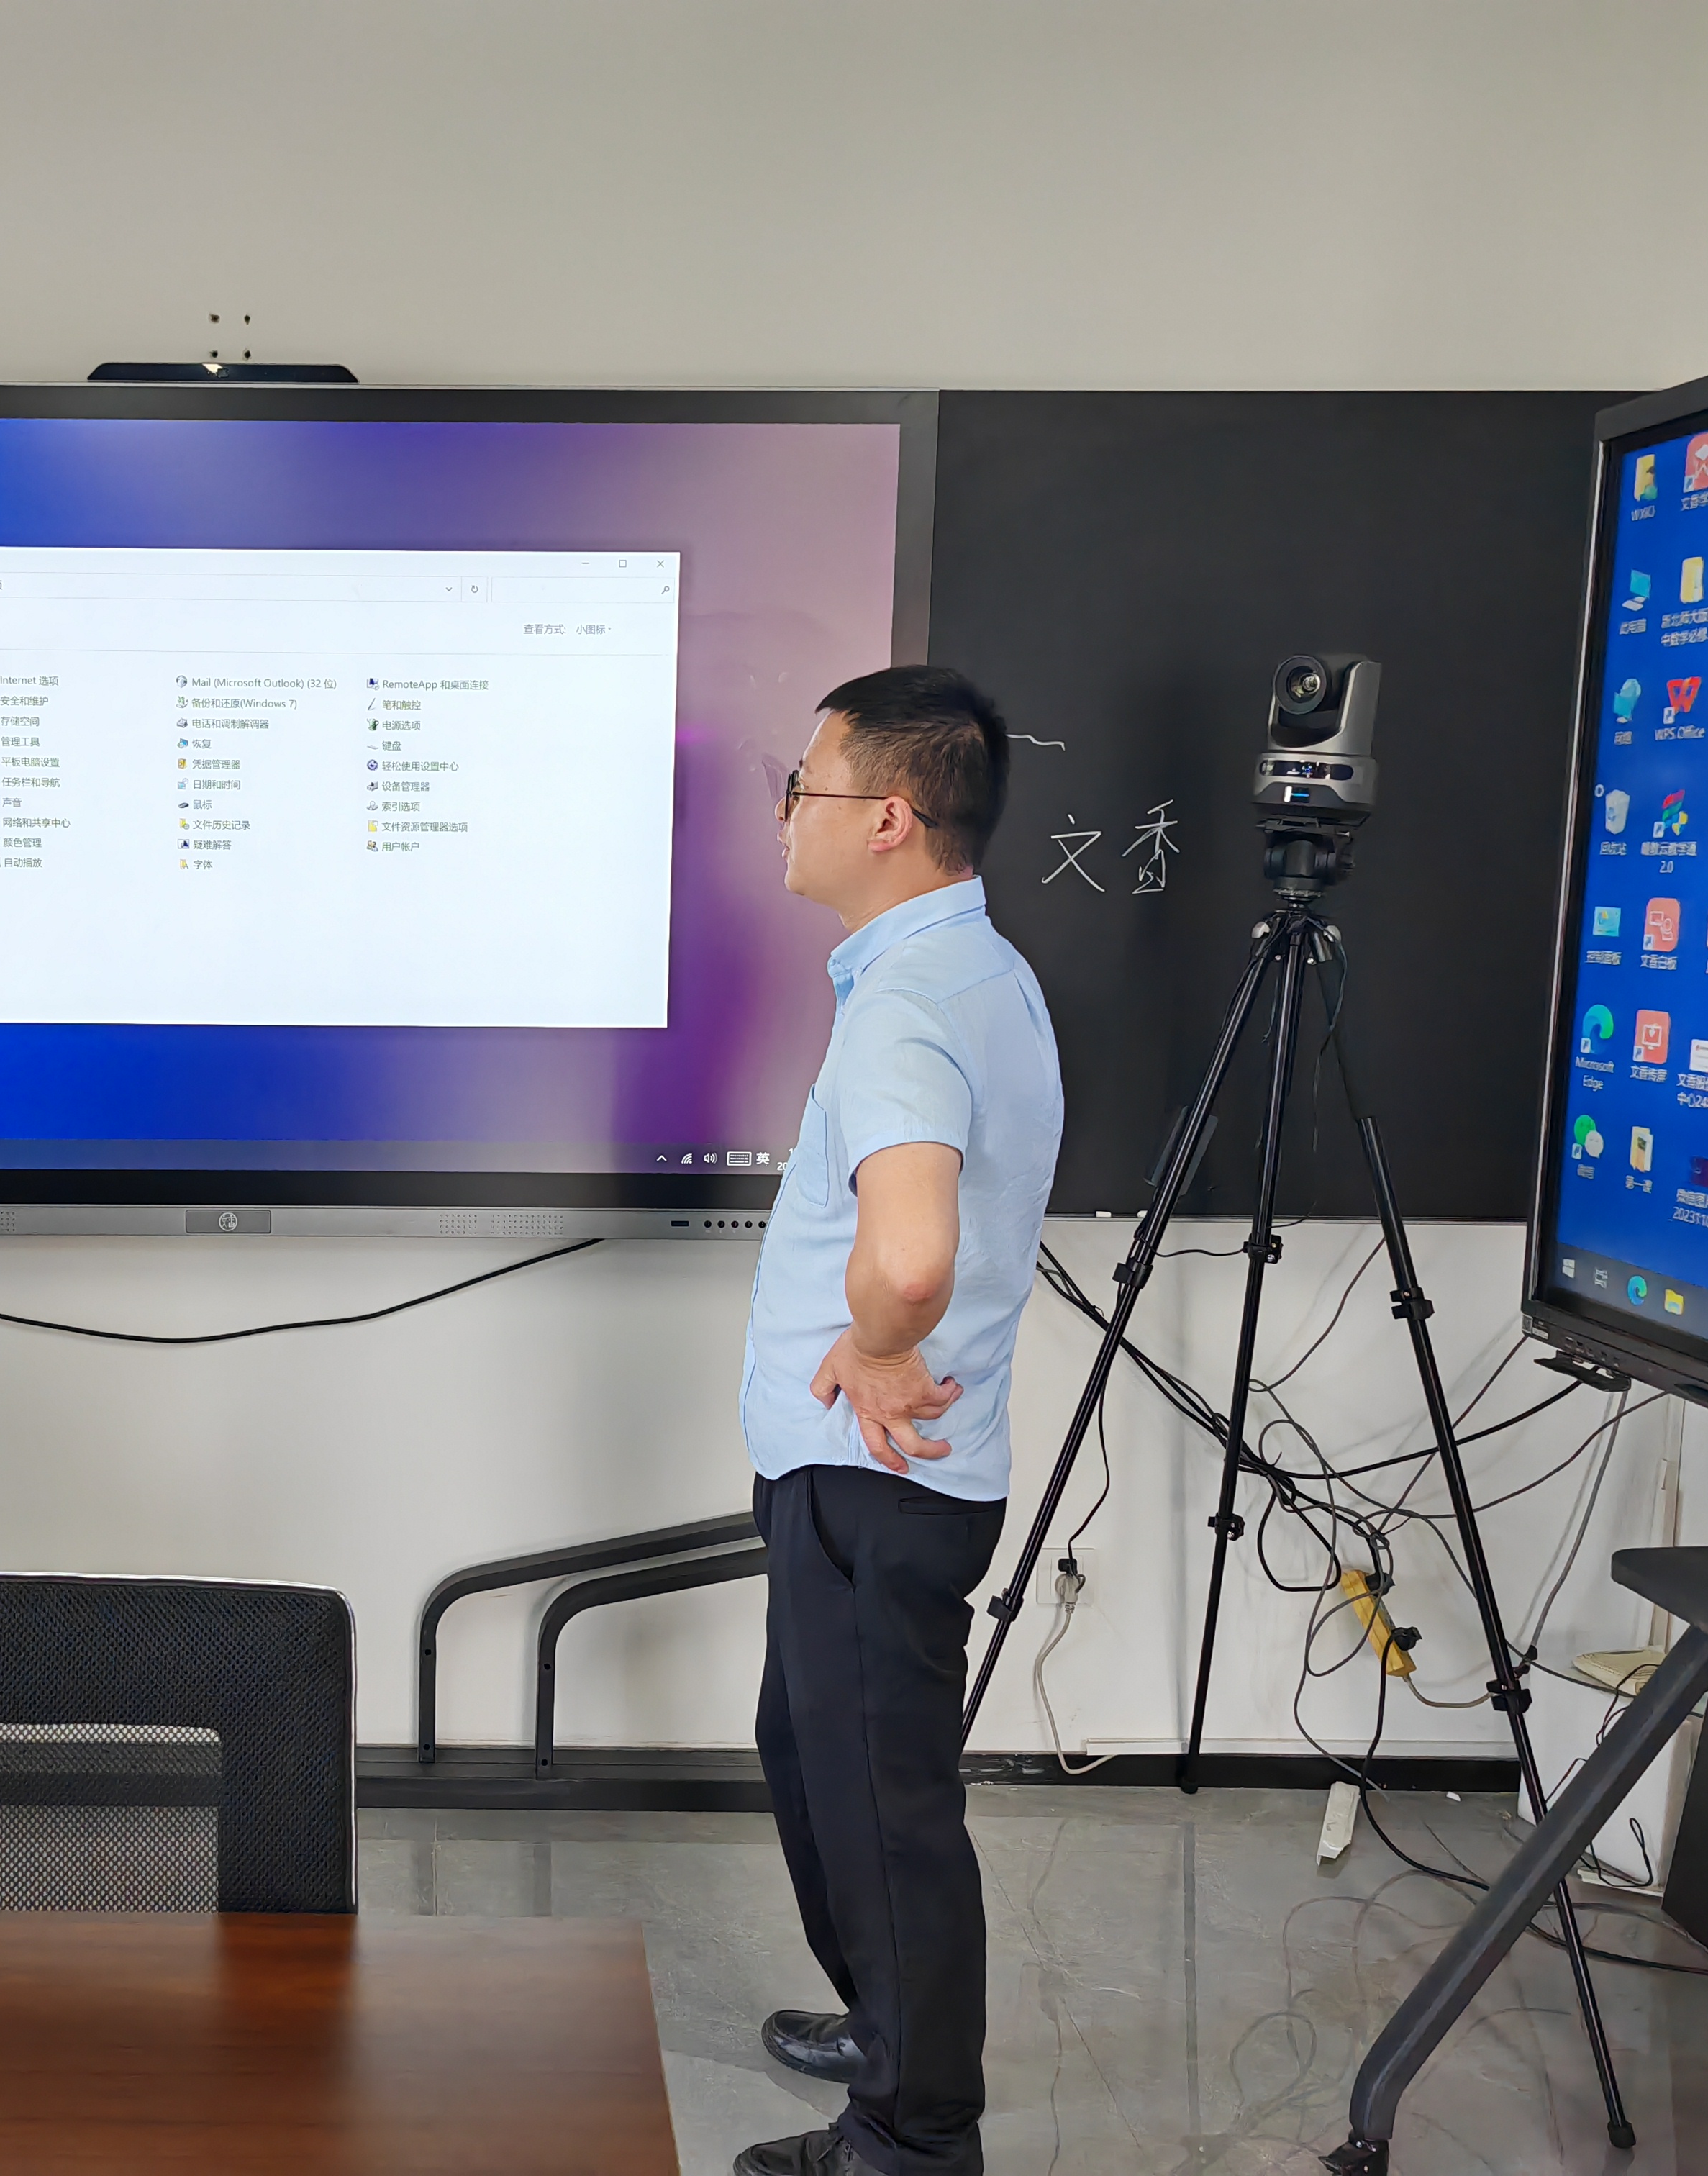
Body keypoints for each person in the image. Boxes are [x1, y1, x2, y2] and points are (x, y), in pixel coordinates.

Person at [731, 666, 1063, 2176]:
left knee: (879, 1813)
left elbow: (913, 1256)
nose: (783, 812)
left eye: (802, 785)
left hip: (874, 1478)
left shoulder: (911, 1006)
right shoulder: (969, 970)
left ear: (888, 818)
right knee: (823, 1770)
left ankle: (914, 2136)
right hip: (879, 1480)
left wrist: (871, 1346)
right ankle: (892, 2030)